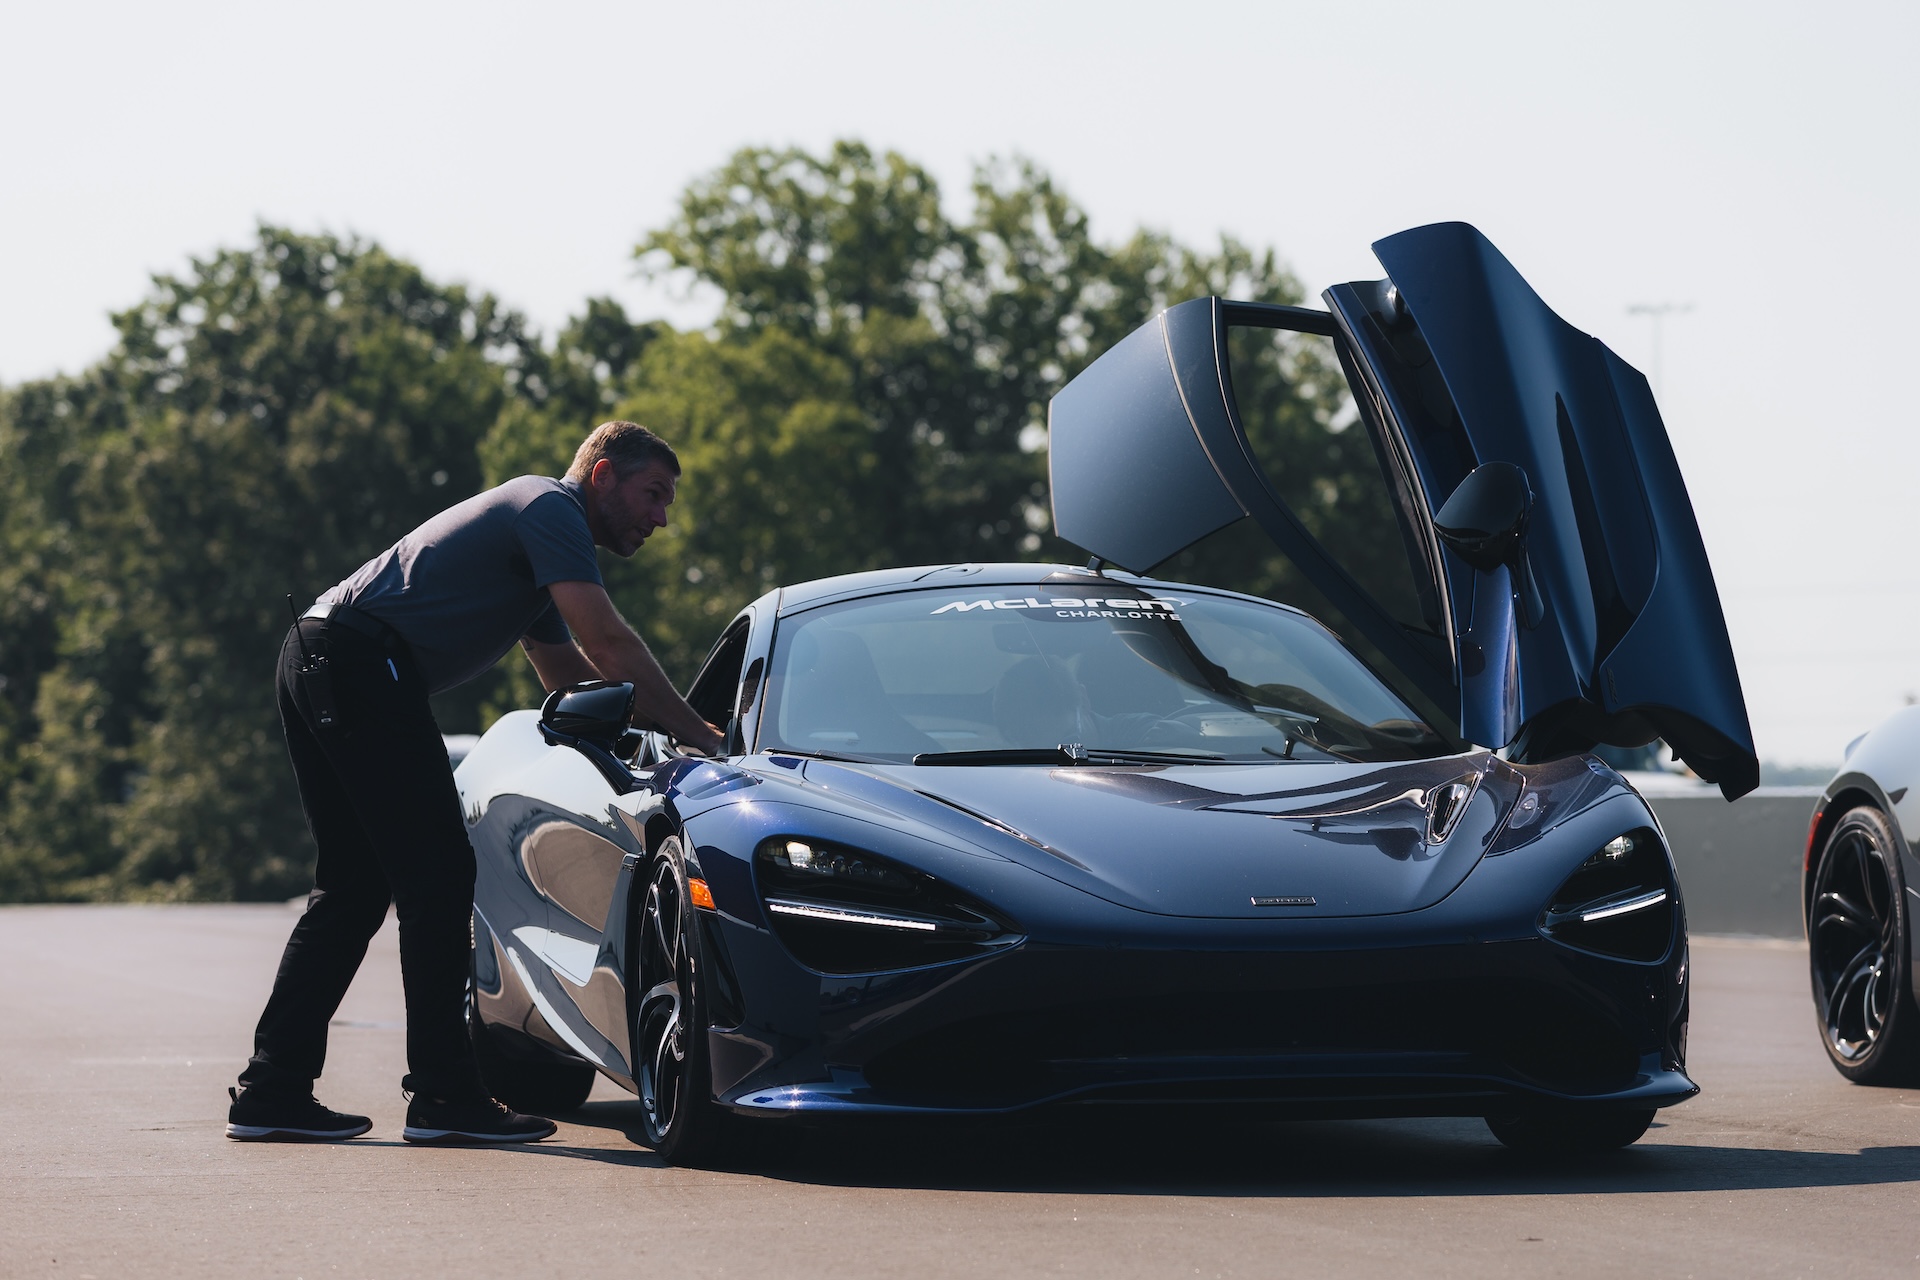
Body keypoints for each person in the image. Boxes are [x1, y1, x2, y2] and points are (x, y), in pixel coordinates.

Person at [226, 421, 724, 1144]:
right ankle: (445, 1097)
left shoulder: (535, 551)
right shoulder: (550, 509)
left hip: (319, 654)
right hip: (359, 664)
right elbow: (608, 644)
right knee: (438, 875)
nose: (661, 518)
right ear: (604, 474)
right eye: (653, 495)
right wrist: (703, 736)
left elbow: (572, 682)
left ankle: (271, 1087)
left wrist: (643, 737)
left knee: (357, 887)